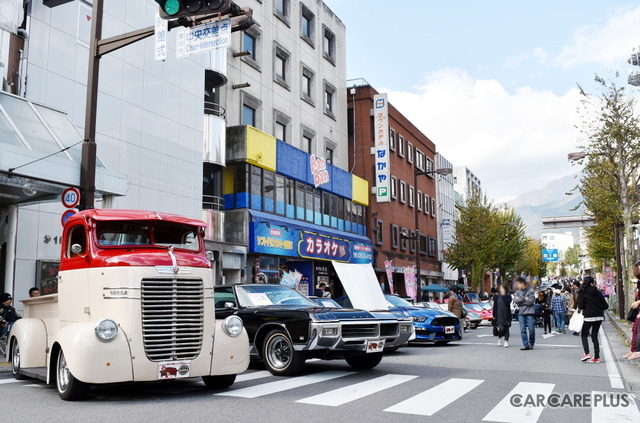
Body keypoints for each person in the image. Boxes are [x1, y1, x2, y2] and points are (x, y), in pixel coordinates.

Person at [578, 276, 608, 363]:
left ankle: (587, 353)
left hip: (588, 317)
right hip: (599, 317)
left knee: (584, 334)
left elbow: (580, 306)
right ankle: (596, 357)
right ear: (592, 283)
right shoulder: (598, 292)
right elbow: (606, 306)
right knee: (595, 336)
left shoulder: (582, 292)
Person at [513, 277, 536, 350]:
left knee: (531, 329)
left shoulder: (531, 291)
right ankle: (525, 344)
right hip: (521, 313)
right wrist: (524, 299)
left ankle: (531, 343)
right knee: (522, 330)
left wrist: (520, 301)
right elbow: (515, 301)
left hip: (529, 312)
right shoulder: (517, 291)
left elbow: (531, 302)